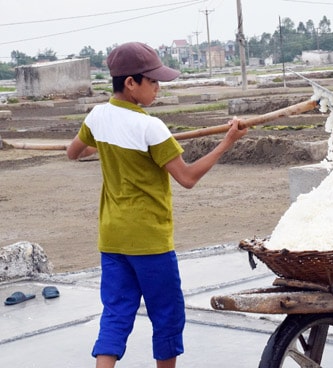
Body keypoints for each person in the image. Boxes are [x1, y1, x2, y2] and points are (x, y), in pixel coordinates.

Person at [67, 41, 247, 368]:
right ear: (130, 83)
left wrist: (105, 147)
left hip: (113, 238)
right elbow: (188, 177)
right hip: (149, 240)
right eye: (152, 82)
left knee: (116, 313)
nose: (158, 88)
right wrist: (226, 143)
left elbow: (73, 152)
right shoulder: (151, 126)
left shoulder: (97, 117)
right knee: (166, 315)